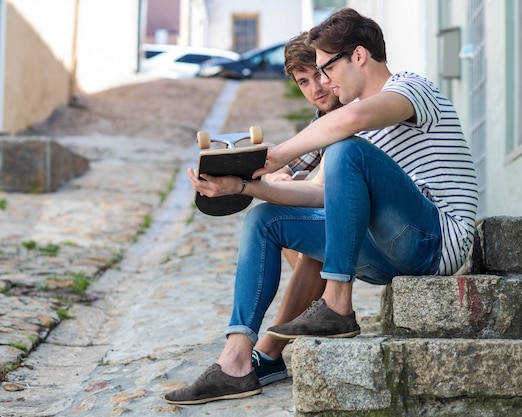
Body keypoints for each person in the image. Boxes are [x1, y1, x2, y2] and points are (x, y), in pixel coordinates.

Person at [165, 7, 477, 405]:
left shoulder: (411, 88)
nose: (323, 82)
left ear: (359, 56)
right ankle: (238, 360)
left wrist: (277, 155)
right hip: (385, 255)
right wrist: (243, 185)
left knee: (347, 148)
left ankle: (336, 304)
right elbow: (316, 195)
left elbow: (357, 117)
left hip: (434, 242)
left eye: (327, 69)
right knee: (266, 219)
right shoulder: (352, 133)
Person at [250, 32, 342, 387]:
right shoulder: (323, 116)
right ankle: (316, 309)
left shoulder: (355, 109)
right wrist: (279, 174)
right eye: (304, 81)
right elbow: (292, 163)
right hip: (349, 225)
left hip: (385, 228)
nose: (316, 87)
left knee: (313, 232)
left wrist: (285, 183)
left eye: (320, 74)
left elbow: (325, 192)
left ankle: (270, 350)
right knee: (283, 220)